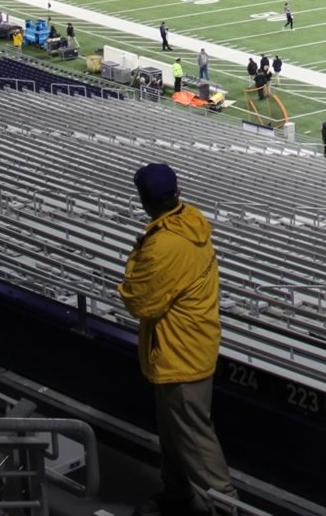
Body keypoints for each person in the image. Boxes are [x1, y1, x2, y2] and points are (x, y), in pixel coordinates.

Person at [117, 164, 234, 514]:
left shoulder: (164, 244)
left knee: (197, 443)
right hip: (186, 347)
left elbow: (137, 300)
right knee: (174, 434)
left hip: (180, 354)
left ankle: (224, 509)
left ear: (145, 200)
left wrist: (137, 255)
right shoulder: (188, 221)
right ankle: (177, 496)